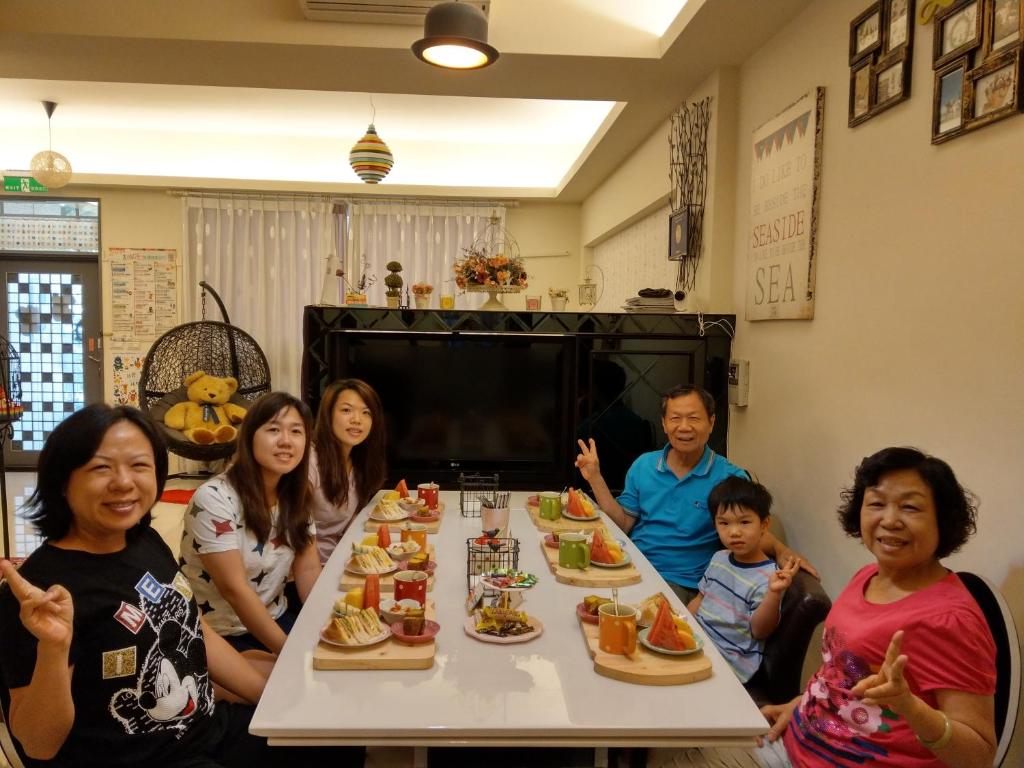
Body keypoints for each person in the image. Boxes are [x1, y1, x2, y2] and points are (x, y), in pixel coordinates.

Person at [0, 404, 338, 767]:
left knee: (333, 741)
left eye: (139, 465)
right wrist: (54, 649)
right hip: (141, 758)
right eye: (101, 467)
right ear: (63, 481)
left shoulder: (145, 541)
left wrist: (275, 701)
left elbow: (200, 636)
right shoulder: (40, 595)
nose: (124, 482)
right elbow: (37, 744)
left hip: (205, 729)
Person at [650, 446, 998, 768]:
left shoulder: (952, 618)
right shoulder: (867, 576)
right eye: (876, 504)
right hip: (792, 741)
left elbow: (979, 755)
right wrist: (800, 704)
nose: (890, 520)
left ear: (944, 519)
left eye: (910, 507)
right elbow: (838, 669)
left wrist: (911, 706)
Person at [576, 384, 813, 603]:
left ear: (711, 423)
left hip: (682, 583)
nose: (684, 427)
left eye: (694, 418)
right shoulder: (644, 465)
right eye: (675, 418)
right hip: (630, 568)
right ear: (664, 423)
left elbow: (748, 529)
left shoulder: (730, 477)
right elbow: (623, 523)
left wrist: (782, 551)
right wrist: (595, 478)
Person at [180, 392, 321, 655]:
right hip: (220, 635)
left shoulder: (296, 494)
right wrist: (288, 653)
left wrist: (326, 625)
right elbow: (235, 590)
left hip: (275, 618)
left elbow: (308, 570)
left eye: (296, 431)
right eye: (273, 429)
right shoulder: (214, 498)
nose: (286, 441)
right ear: (250, 437)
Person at [688, 476, 800, 685]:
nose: (734, 532)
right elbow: (700, 599)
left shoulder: (769, 577)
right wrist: (682, 623)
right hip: (699, 642)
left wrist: (774, 593)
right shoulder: (719, 558)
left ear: (764, 524)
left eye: (745, 522)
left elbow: (759, 631)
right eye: (724, 523)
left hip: (730, 660)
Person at [310, 378, 387, 564]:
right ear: (328, 415)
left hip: (344, 561)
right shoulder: (310, 461)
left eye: (366, 412)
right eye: (346, 410)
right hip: (312, 570)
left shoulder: (359, 461)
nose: (357, 420)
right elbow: (294, 533)